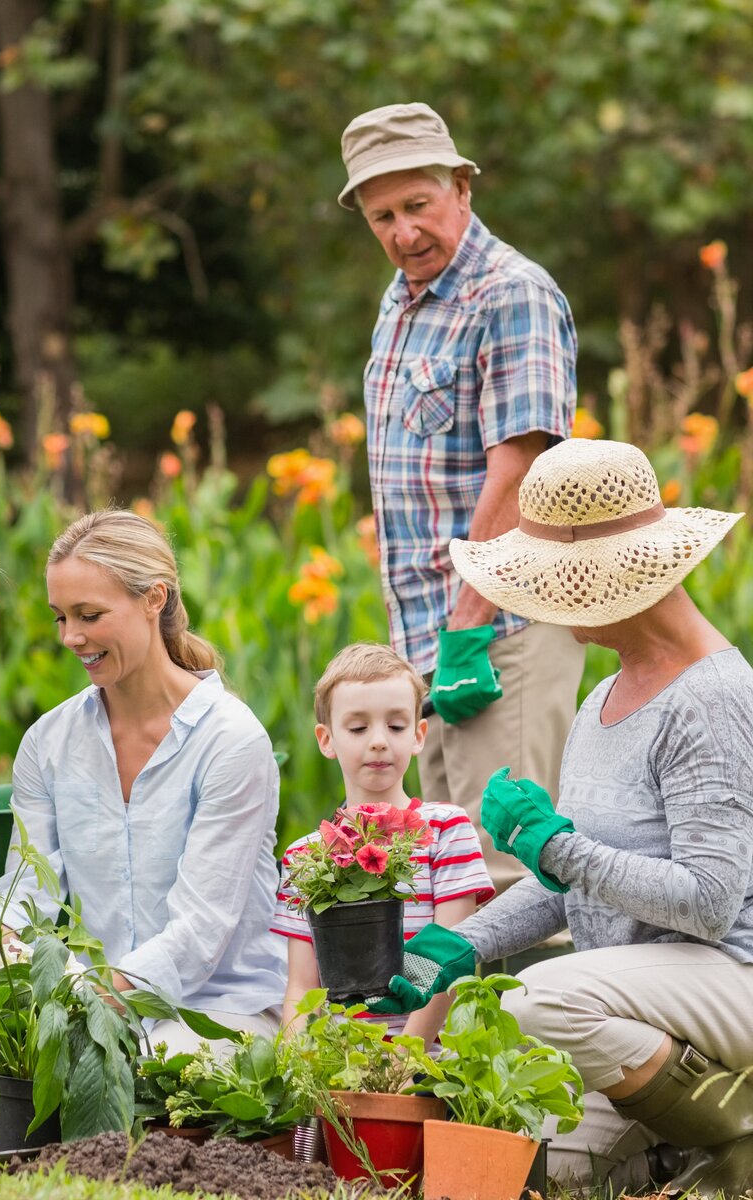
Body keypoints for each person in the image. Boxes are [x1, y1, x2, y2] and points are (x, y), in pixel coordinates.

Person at [369, 438, 753, 1197]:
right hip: (644, 1005)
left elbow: (710, 903)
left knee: (535, 1000)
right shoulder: (600, 701)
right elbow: (565, 882)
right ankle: (684, 1149)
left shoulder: (710, 699)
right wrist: (457, 947)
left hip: (730, 979)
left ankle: (739, 1134)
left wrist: (559, 845)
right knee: (554, 1165)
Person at [337, 101, 584, 893]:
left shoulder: (510, 295)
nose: (404, 233)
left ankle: (552, 1022)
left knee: (510, 867)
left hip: (499, 632)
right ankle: (449, 1026)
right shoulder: (400, 302)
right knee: (452, 876)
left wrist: (466, 633)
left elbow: (518, 471)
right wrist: (423, 651)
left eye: (419, 206)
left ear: (463, 189)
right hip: (426, 640)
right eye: (383, 216)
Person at [0, 509, 286, 1051]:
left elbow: (200, 932)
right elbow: (29, 894)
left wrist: (92, 999)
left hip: (215, 1010)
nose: (71, 637)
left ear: (154, 599)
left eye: (90, 614)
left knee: (166, 1066)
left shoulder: (231, 740)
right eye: (60, 617)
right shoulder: (49, 743)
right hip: (95, 1005)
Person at [272, 643, 493, 1045]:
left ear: (418, 735)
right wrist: (297, 1072)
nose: (378, 741)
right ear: (326, 740)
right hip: (342, 1061)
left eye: (395, 726)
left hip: (434, 1058)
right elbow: (301, 991)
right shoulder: (305, 856)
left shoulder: (446, 829)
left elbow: (451, 960)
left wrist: (406, 1060)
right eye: (357, 728)